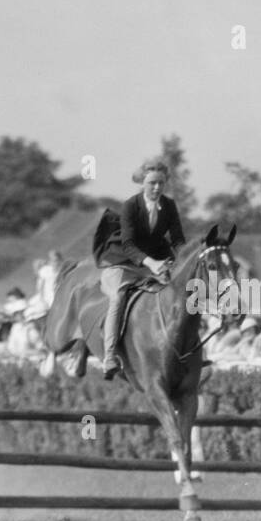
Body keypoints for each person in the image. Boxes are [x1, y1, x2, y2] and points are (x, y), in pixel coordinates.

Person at [96, 160, 186, 378]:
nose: (157, 188)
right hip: (122, 262)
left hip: (154, 263)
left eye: (161, 183)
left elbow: (177, 239)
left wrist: (182, 261)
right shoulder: (130, 206)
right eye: (152, 183)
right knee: (118, 298)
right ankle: (109, 356)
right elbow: (128, 244)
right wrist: (152, 263)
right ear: (142, 183)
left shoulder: (170, 205)